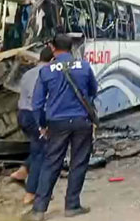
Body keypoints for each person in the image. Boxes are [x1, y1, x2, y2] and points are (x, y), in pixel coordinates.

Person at [22, 34, 98, 221]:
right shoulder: (85, 66)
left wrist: (42, 125)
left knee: (51, 164)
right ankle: (72, 206)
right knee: (78, 162)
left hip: (56, 123)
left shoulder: (46, 71)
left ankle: (39, 210)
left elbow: (37, 104)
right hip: (82, 122)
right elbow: (93, 91)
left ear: (53, 49)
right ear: (71, 48)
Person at [15, 47, 54, 204]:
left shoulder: (28, 73)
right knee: (43, 153)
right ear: (52, 60)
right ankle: (31, 192)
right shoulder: (48, 74)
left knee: (37, 145)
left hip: (22, 115)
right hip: (35, 115)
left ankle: (23, 170)